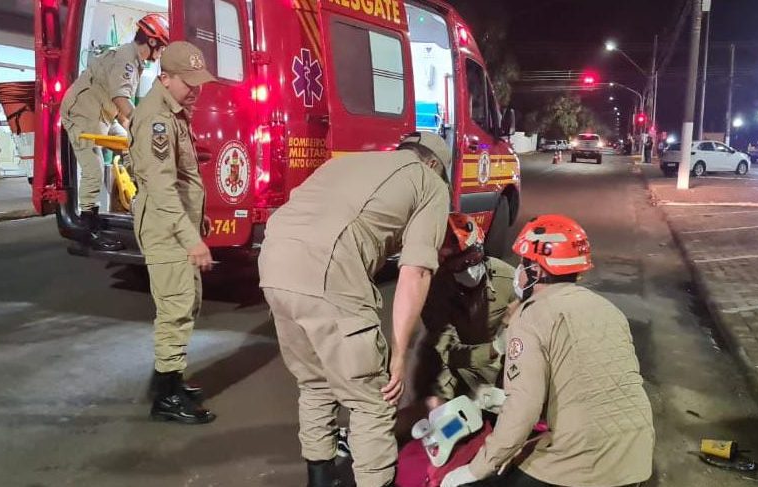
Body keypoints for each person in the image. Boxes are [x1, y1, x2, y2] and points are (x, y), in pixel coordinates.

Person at [259, 132, 452, 487]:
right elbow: (416, 270)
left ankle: (319, 481)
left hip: (272, 264)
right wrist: (398, 353)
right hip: (328, 270)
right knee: (372, 400)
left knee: (315, 384)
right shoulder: (430, 183)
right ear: (432, 164)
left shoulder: (349, 162)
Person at [442, 215, 655, 487]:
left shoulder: (531, 316)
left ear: (537, 271)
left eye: (523, 263)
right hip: (637, 455)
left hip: (582, 464)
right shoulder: (609, 309)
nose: (518, 270)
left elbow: (523, 410)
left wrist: (475, 470)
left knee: (491, 474)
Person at [129, 41, 217, 424]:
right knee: (176, 309)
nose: (195, 89)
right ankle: (165, 397)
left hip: (174, 221)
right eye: (188, 82)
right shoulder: (157, 119)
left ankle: (169, 379)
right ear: (165, 77)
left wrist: (199, 220)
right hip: (165, 228)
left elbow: (181, 178)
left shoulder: (173, 111)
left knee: (186, 302)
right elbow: (162, 188)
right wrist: (191, 238)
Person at [60, 13, 169, 251]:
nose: (161, 53)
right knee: (94, 168)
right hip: (83, 113)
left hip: (103, 113)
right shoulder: (126, 59)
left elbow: (118, 102)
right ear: (152, 42)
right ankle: (88, 228)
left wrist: (135, 130)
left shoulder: (134, 60)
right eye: (161, 47)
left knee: (134, 146)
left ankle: (144, 200)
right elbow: (121, 98)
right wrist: (142, 124)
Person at [416, 213, 516, 409]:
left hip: (503, 366)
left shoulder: (507, 279)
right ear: (444, 264)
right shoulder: (435, 294)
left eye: (474, 257)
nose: (470, 268)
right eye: (459, 263)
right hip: (459, 365)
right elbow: (447, 353)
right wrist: (495, 348)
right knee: (435, 406)